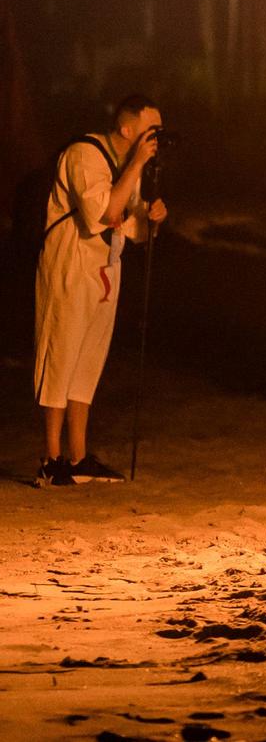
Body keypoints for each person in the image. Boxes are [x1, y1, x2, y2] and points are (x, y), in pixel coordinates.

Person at [34, 94, 169, 487]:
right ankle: (51, 457)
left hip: (106, 268)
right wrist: (138, 166)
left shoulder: (131, 166)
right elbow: (104, 214)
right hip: (70, 264)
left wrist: (152, 218)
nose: (156, 139)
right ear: (127, 129)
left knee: (89, 359)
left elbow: (134, 229)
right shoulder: (84, 154)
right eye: (151, 131)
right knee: (61, 354)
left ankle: (77, 457)